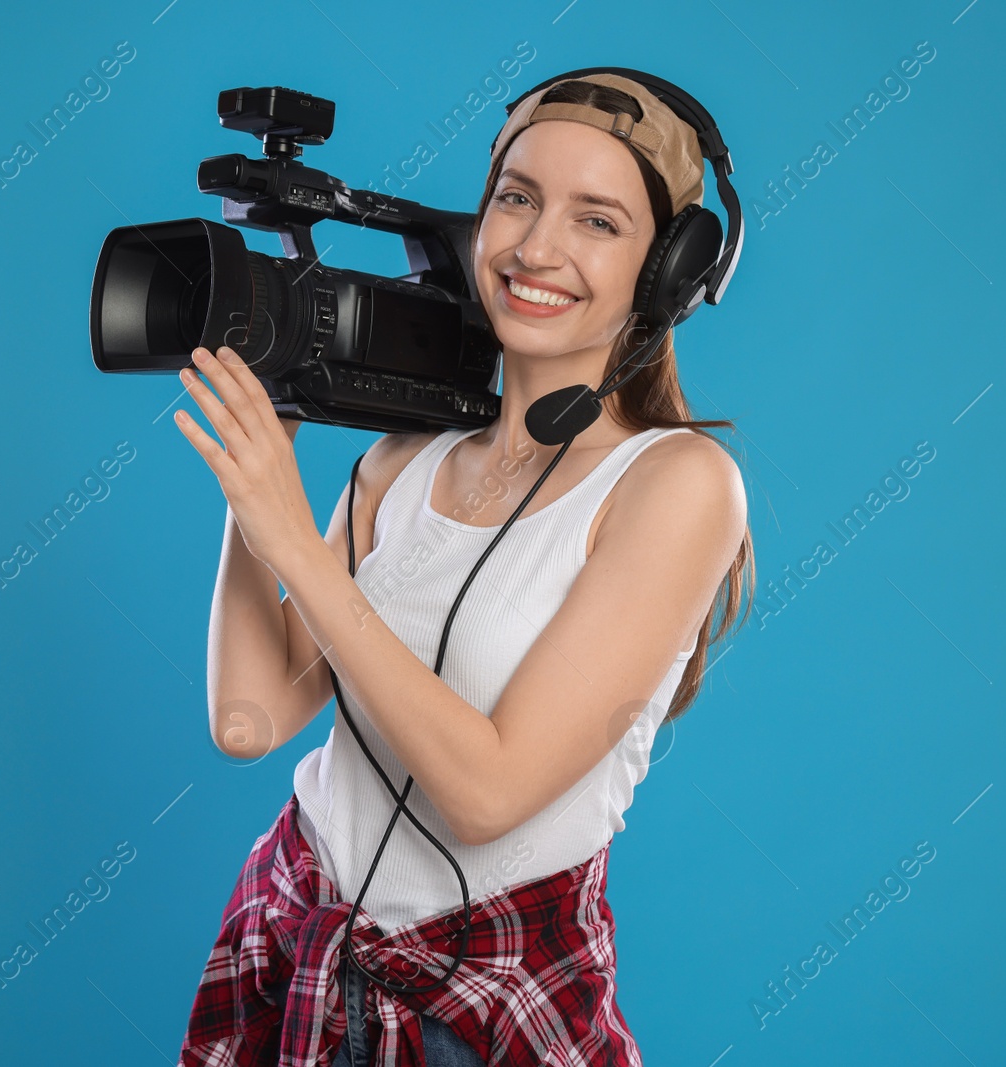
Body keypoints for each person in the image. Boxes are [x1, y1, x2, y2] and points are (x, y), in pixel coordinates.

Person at [174, 72, 755, 1066]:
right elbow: (249, 719)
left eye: (597, 220)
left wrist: (292, 538)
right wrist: (254, 473)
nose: (535, 248)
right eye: (517, 198)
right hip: (298, 947)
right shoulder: (402, 458)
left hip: (484, 996)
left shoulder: (676, 483)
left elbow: (486, 791)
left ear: (667, 271)